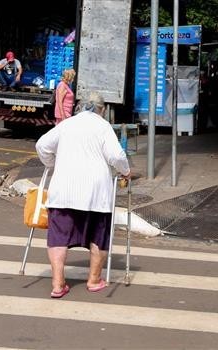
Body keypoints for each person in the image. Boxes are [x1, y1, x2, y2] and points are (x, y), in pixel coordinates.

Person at [35, 91, 131, 298]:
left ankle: (58, 284)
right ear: (102, 109)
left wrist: (52, 164)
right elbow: (116, 155)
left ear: (80, 106)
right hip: (96, 193)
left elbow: (42, 145)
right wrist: (126, 171)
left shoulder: (67, 124)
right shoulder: (103, 126)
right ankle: (94, 280)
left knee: (58, 237)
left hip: (64, 190)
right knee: (99, 235)